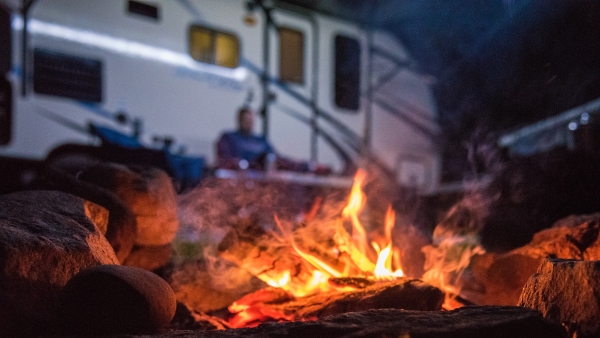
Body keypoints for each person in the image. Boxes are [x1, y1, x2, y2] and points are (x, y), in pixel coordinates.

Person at [216, 107, 330, 174]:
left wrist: (307, 166)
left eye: (250, 120)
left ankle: (311, 167)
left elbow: (279, 160)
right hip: (240, 182)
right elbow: (225, 160)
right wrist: (244, 165)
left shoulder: (260, 140)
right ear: (239, 120)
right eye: (245, 120)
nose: (248, 123)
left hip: (263, 182)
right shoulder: (228, 138)